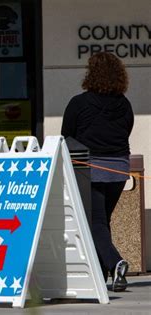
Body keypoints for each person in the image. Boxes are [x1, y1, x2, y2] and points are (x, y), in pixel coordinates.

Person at [61, 52, 134, 292]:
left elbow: (67, 136)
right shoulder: (124, 104)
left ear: (91, 74)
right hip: (119, 170)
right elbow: (127, 130)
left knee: (94, 221)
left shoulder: (79, 103)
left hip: (89, 170)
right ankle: (105, 274)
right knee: (102, 221)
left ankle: (116, 263)